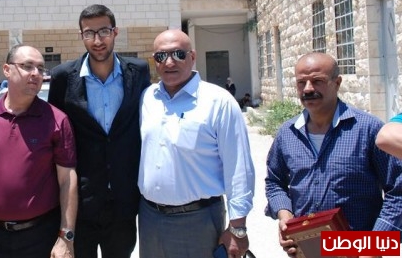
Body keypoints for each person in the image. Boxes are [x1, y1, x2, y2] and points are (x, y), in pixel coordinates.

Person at [265, 52, 402, 257]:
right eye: (301, 82)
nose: (308, 88)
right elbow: (275, 182)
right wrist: (285, 216)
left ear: (337, 83)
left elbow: (398, 191)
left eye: (317, 81)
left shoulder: (368, 129)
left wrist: (375, 246)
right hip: (307, 250)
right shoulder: (287, 133)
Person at [138, 29, 254, 258]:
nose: (169, 62)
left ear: (192, 57)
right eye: (161, 56)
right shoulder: (147, 97)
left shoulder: (218, 102)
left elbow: (239, 168)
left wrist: (238, 227)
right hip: (150, 219)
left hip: (198, 220)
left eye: (178, 54)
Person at [48, 4, 151, 258]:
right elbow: (56, 136)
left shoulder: (138, 71)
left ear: (115, 32)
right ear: (81, 35)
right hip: (81, 203)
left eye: (104, 31)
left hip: (124, 201)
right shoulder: (63, 77)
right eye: (89, 33)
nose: (97, 40)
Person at [0, 44, 77, 258]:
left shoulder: (57, 120)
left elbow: (67, 180)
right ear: (7, 69)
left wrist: (66, 237)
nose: (36, 73)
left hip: (41, 237)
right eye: (27, 66)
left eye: (40, 68)